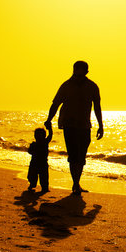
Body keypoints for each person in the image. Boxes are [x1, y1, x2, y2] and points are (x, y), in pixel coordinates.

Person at [45, 60, 104, 195]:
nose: (78, 74)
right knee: (73, 155)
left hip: (84, 125)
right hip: (69, 124)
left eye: (81, 71)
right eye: (76, 71)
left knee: (81, 155)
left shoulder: (92, 86)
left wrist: (101, 126)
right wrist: (49, 119)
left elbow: (97, 107)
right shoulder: (66, 86)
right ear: (73, 70)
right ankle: (76, 183)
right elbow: (55, 104)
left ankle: (76, 182)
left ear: (86, 72)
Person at [27, 122, 52, 193]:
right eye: (36, 135)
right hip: (37, 162)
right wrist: (50, 129)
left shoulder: (44, 142)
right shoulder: (36, 144)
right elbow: (29, 151)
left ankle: (43, 187)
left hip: (40, 162)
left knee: (43, 176)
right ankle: (34, 185)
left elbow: (50, 136)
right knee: (34, 175)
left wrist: (50, 129)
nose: (37, 137)